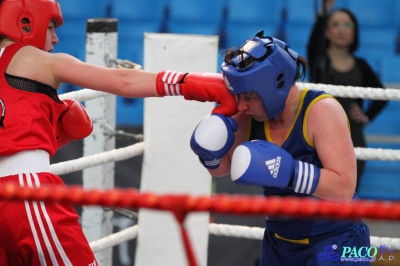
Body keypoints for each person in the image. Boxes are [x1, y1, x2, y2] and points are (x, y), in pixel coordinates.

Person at [0, 0, 237, 265]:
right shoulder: (33, 59)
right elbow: (122, 81)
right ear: (26, 22)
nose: (55, 38)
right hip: (25, 195)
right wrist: (190, 83)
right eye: (52, 26)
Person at [190, 30, 372, 265]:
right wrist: (209, 154)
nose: (241, 105)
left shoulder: (322, 111)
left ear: (274, 85)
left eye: (248, 96)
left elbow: (344, 189)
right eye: (239, 96)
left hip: (338, 240)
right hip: (279, 242)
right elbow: (223, 168)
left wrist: (290, 173)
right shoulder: (249, 111)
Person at [307, 0, 388, 192]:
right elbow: (313, 45)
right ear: (326, 32)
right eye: (335, 24)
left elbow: (383, 96)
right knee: (320, 195)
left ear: (355, 32)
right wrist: (324, 13)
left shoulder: (361, 65)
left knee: (349, 194)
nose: (342, 30)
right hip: (319, 135)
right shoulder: (318, 60)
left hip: (354, 137)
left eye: (348, 24)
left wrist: (366, 116)